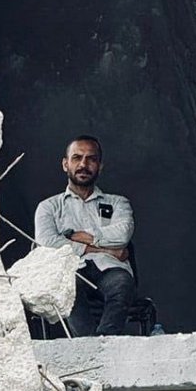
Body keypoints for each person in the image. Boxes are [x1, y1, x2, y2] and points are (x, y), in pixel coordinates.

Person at [34, 135, 137, 336]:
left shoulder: (117, 203)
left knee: (122, 284)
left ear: (100, 166)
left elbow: (123, 233)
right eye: (77, 158)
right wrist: (108, 249)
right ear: (65, 164)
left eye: (91, 159)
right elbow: (47, 243)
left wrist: (81, 237)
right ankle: (88, 345)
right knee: (68, 287)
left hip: (110, 269)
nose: (84, 164)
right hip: (71, 269)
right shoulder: (48, 207)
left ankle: (104, 342)